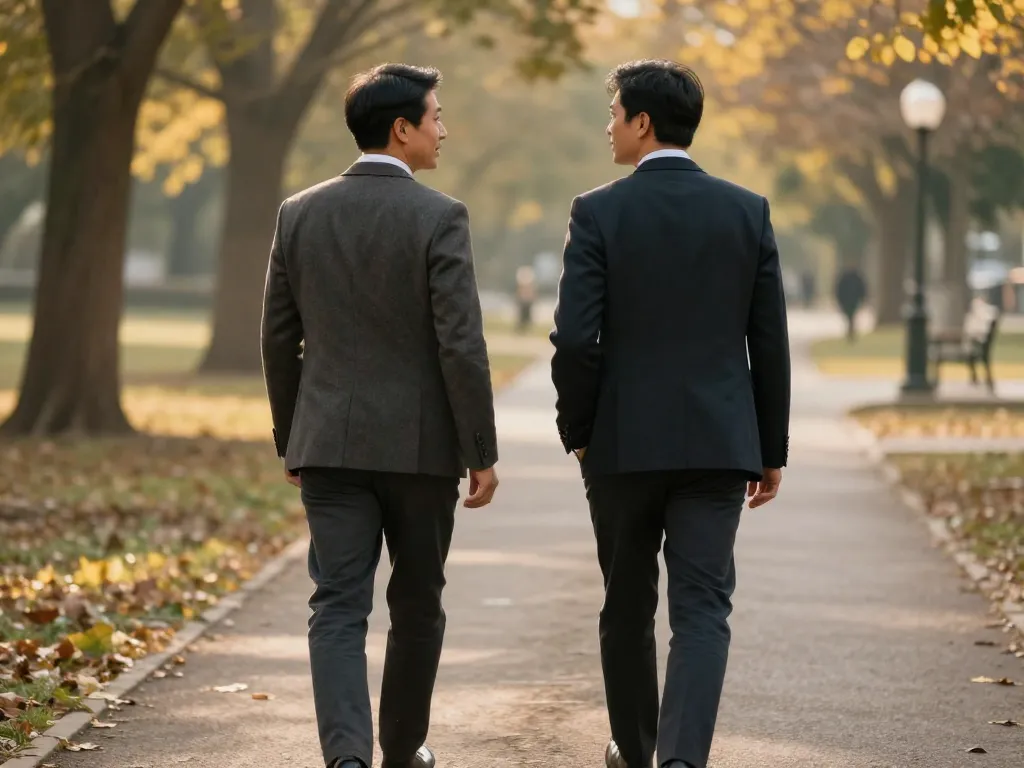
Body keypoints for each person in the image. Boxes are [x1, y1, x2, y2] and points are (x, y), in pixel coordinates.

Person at [550, 60, 791, 768]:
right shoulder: (747, 211)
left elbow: (574, 340)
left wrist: (581, 433)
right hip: (720, 443)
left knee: (626, 604)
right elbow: (767, 343)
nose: (609, 125)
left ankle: (635, 748)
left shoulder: (597, 211)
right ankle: (681, 759)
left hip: (621, 445)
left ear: (642, 122)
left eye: (615, 112)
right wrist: (769, 447)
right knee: (703, 609)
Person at [261, 63, 500, 768]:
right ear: (402, 129)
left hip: (327, 443)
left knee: (336, 605)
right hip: (423, 452)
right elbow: (460, 342)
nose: (444, 129)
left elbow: (279, 337)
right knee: (418, 601)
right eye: (436, 116)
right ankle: (401, 751)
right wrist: (480, 450)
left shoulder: (298, 212)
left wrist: (292, 439)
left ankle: (346, 758)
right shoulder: (441, 216)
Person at [835, 267, 867, 342]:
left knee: (851, 318)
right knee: (851, 318)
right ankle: (851, 333)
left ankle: (851, 333)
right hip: (850, 300)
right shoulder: (855, 277)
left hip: (850, 300)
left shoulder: (848, 277)